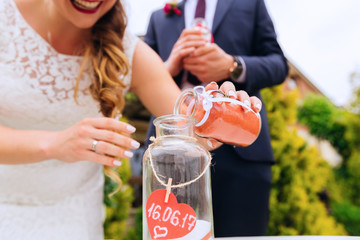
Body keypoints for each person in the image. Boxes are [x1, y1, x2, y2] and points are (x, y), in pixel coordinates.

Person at [0, 0, 262, 239]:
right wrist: (55, 143)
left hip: (75, 220)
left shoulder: (127, 50)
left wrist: (224, 114)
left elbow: (192, 133)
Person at [145, 0, 289, 237]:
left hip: (240, 149)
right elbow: (139, 79)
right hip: (170, 151)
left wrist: (233, 66)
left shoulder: (250, 4)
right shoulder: (158, 17)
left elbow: (278, 65)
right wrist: (167, 67)